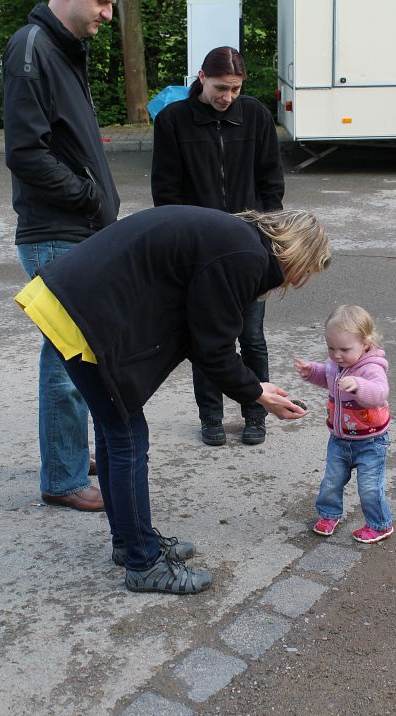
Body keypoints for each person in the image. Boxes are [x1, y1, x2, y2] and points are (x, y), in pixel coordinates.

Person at [14, 205, 330, 594]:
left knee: (117, 432)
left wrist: (253, 388)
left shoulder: (237, 240)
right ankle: (144, 564)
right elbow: (213, 347)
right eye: (303, 273)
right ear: (298, 255)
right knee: (128, 439)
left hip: (73, 301)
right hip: (84, 311)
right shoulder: (244, 255)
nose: (294, 282)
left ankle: (129, 542)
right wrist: (256, 393)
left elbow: (201, 332)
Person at [2, 0, 120, 511]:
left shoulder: (63, 49)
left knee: (77, 351)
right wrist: (90, 197)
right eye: (103, 1)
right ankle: (63, 479)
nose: (109, 14)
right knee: (66, 356)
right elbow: (26, 152)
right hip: (56, 231)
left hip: (76, 229)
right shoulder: (33, 47)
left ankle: (67, 454)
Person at [151, 46, 284, 448]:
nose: (228, 96)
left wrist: (268, 234)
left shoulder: (256, 115)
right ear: (201, 77)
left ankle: (255, 413)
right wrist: (184, 244)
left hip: (250, 247)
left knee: (252, 336)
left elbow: (271, 182)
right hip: (200, 252)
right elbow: (166, 192)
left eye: (235, 89)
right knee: (206, 338)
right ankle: (210, 417)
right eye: (220, 87)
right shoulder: (173, 120)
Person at [295, 305, 393, 544]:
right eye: (331, 348)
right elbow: (328, 378)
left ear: (365, 343)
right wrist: (312, 372)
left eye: (344, 349)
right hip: (339, 439)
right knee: (331, 481)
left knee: (369, 487)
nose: (336, 355)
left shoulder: (371, 367)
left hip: (370, 441)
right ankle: (329, 515)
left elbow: (379, 392)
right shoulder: (335, 364)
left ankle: (380, 524)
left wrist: (359, 385)